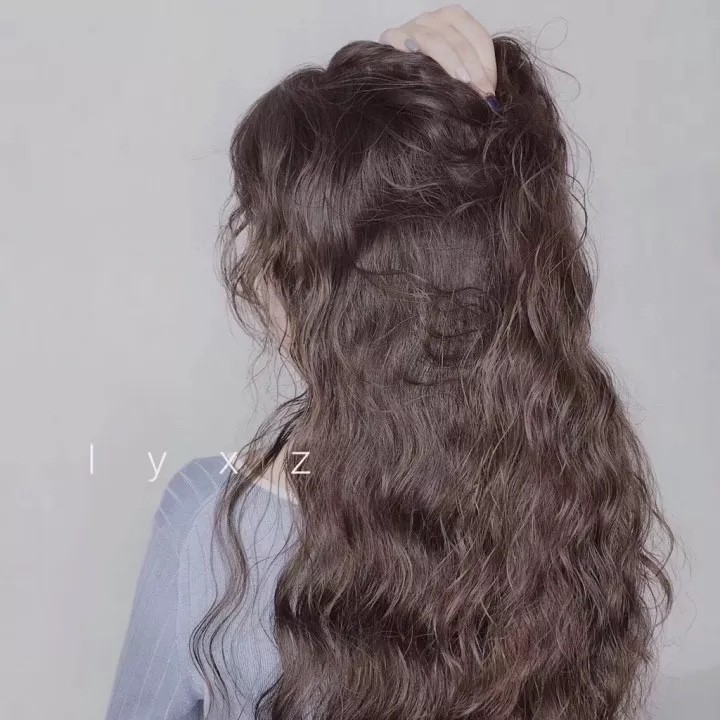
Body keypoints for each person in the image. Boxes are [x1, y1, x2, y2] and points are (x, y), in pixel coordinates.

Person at [104, 6, 676, 719]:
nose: (255, 271)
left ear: (352, 302)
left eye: (280, 246)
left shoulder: (214, 525)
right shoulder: (573, 495)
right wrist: (420, 119)